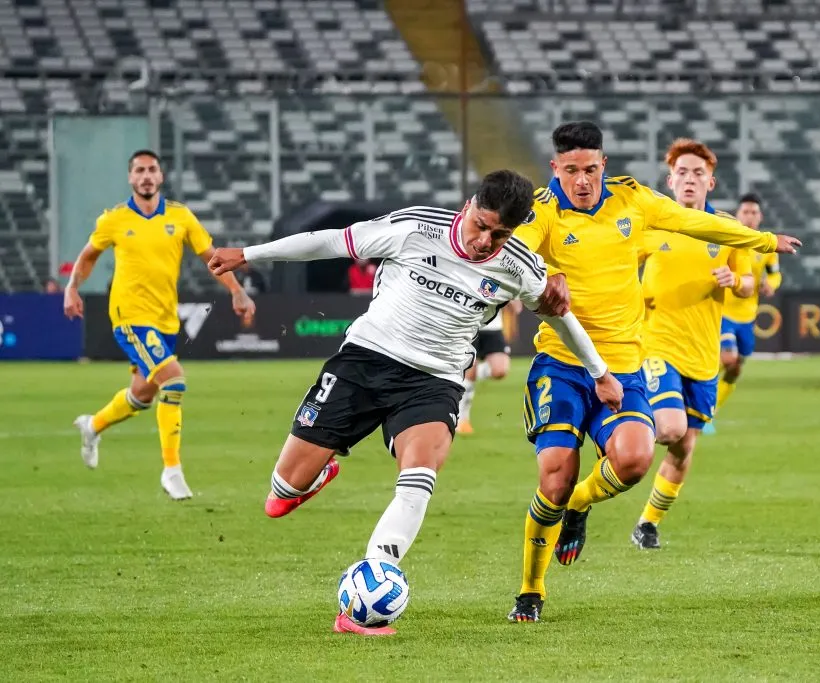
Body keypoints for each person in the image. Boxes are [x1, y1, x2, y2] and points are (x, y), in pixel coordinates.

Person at [206, 169, 622, 636]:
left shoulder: (520, 266)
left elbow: (561, 316)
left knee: (419, 472)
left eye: (500, 233)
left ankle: (367, 597)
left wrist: (600, 372)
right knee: (279, 495)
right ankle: (314, 474)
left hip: (435, 381)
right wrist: (247, 254)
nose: (486, 241)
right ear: (469, 205)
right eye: (481, 225)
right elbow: (328, 242)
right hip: (364, 362)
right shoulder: (413, 227)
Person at [507, 121, 802, 623]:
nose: (583, 180)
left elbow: (698, 223)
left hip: (624, 367)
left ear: (604, 164)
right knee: (555, 478)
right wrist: (536, 277)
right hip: (563, 364)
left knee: (636, 460)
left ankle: (579, 508)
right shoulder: (544, 210)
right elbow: (514, 249)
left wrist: (764, 239)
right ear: (557, 169)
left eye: (592, 169)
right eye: (572, 170)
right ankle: (531, 591)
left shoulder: (633, 201)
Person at [63, 150, 255, 500]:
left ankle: (93, 426)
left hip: (165, 318)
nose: (146, 176)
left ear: (161, 177)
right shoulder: (115, 219)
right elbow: (89, 254)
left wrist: (238, 292)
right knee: (174, 380)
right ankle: (172, 471)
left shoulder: (180, 216)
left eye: (152, 169)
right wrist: (72, 287)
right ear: (130, 178)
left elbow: (209, 256)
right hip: (129, 316)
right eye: (139, 170)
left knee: (142, 394)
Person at [630, 139, 753, 550]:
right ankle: (624, 432)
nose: (689, 179)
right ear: (670, 180)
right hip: (656, 345)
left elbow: (750, 280)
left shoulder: (726, 228)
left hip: (702, 355)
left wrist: (735, 281)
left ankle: (647, 522)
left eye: (697, 173)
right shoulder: (652, 226)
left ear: (710, 182)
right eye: (682, 172)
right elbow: (620, 266)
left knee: (684, 448)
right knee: (668, 427)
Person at [715, 193, 783, 423]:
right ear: (737, 215)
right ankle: (699, 403)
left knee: (736, 369)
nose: (750, 216)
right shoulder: (727, 241)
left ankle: (711, 411)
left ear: (760, 216)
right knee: (728, 359)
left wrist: (771, 285)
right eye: (745, 212)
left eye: (754, 212)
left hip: (748, 316)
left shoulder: (767, 247)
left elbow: (775, 275)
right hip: (724, 312)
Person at [456, 298, 521, 434]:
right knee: (470, 373)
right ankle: (462, 419)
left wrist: (510, 301)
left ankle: (464, 373)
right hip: (469, 326)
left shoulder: (505, 277)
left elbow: (517, 307)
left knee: (500, 371)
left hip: (493, 328)